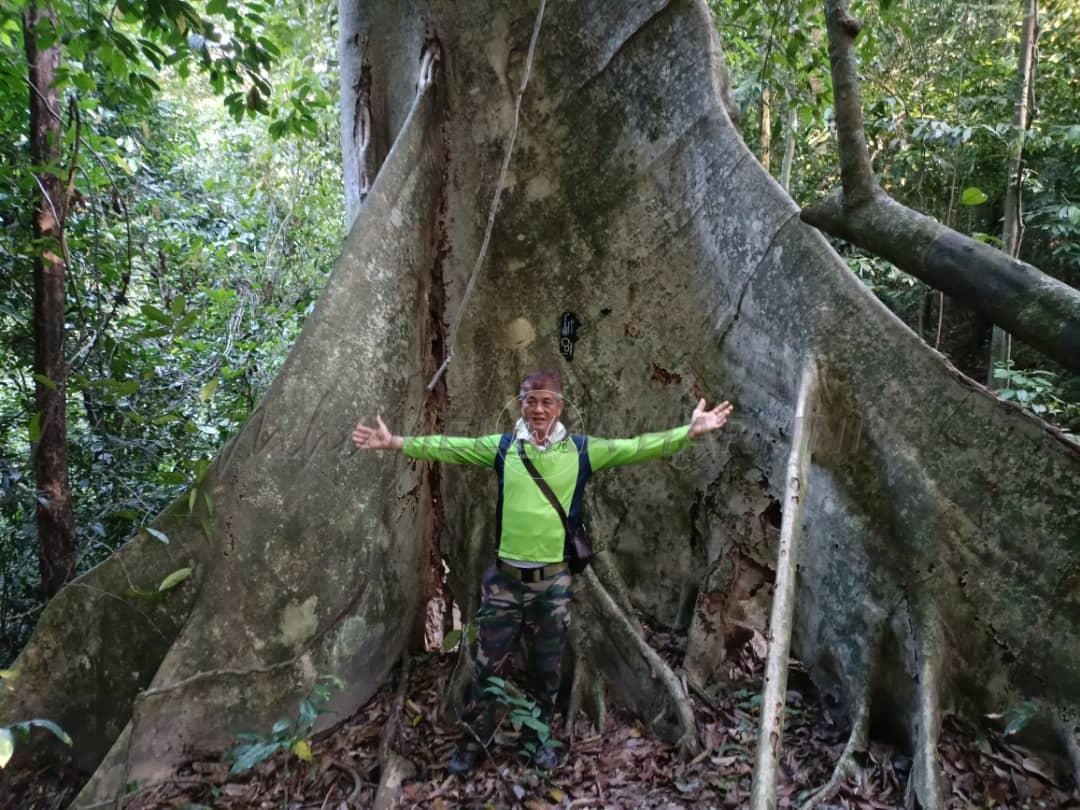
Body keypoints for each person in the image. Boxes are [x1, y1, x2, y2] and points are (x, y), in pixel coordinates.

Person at [351, 370, 732, 773]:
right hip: (504, 583)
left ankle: (538, 740)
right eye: (530, 400)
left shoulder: (582, 451)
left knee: (546, 670)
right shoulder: (503, 449)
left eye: (546, 401)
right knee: (487, 666)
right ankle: (475, 741)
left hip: (552, 586)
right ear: (521, 404)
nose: (537, 409)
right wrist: (394, 442)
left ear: (560, 407)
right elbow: (451, 447)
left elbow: (635, 446)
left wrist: (687, 432)